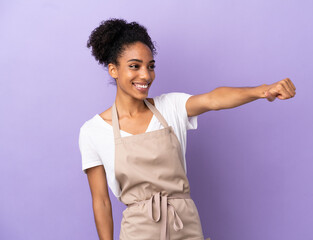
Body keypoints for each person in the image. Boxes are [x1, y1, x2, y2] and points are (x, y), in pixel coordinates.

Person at [78, 18, 296, 240]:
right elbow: (101, 201)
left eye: (150, 66)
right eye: (134, 66)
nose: (145, 75)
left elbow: (213, 99)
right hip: (138, 232)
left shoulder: (170, 107)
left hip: (186, 227)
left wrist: (262, 90)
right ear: (113, 69)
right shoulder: (93, 131)